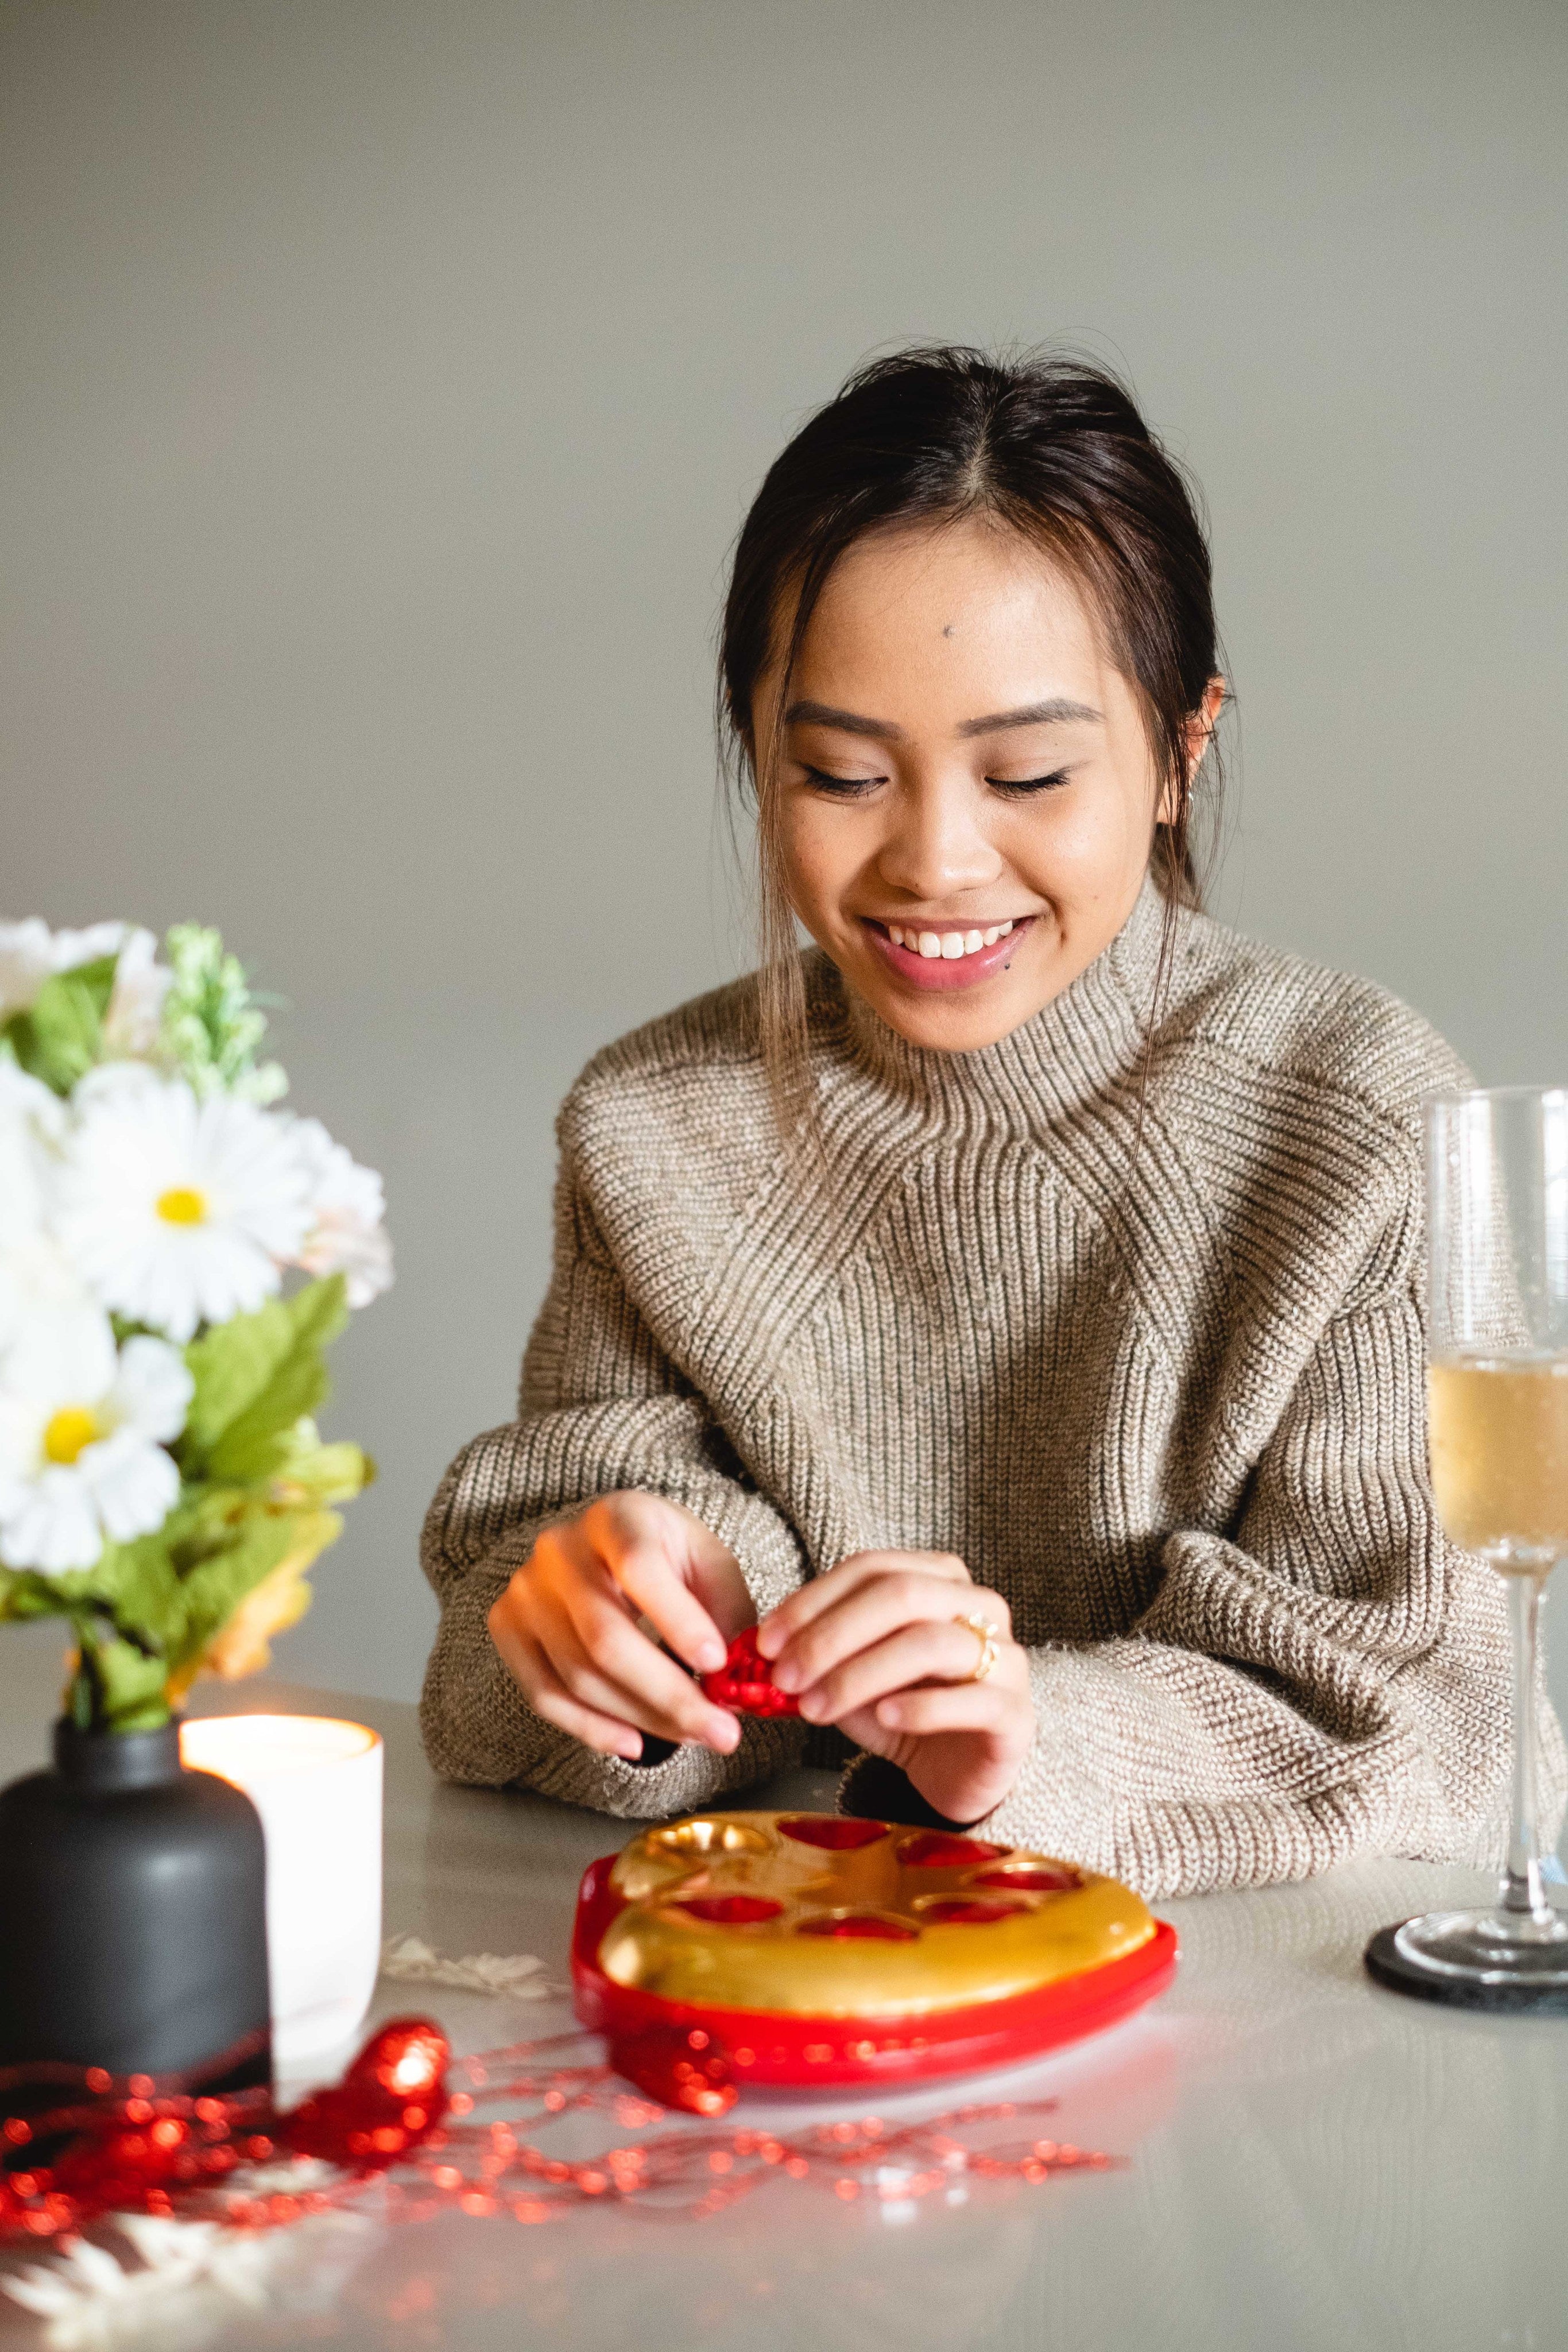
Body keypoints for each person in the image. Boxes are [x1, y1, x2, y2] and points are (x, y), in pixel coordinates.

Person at [420, 346, 1545, 1898]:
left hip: (1255, 2042)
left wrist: (1031, 1744)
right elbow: (495, 1690)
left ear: (1180, 749)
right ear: (755, 745)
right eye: (838, 772)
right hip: (785, 2007)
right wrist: (644, 1609)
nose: (935, 861)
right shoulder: (652, 1128)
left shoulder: (1349, 1122)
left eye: (1025, 772)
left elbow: (1423, 1721)